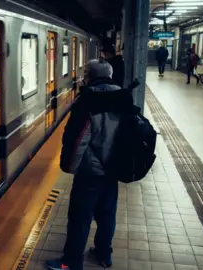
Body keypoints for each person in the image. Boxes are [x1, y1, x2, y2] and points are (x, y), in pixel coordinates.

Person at [46, 59, 134, 270]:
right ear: (110, 75)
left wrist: (69, 166)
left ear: (90, 77)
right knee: (107, 215)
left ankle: (72, 262)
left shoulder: (88, 100)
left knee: (79, 217)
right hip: (113, 170)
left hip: (90, 172)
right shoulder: (124, 97)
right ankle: (104, 254)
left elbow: (80, 138)